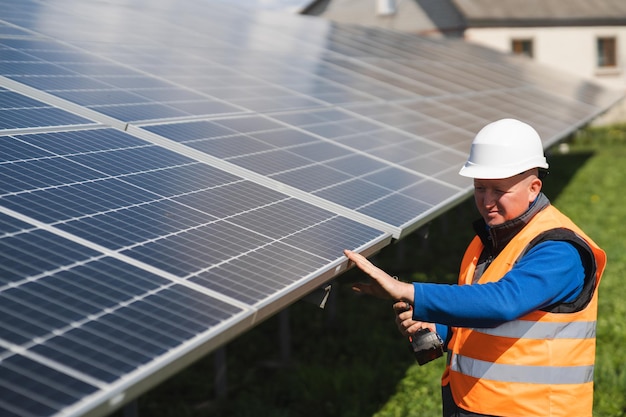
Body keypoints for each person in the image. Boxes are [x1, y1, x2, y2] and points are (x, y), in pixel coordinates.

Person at [344, 118, 606, 417]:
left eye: (499, 190)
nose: (487, 201)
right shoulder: (487, 240)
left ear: (534, 188)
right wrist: (438, 325)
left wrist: (411, 291)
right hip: (471, 404)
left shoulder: (560, 249)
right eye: (480, 188)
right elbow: (476, 305)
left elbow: (502, 303)